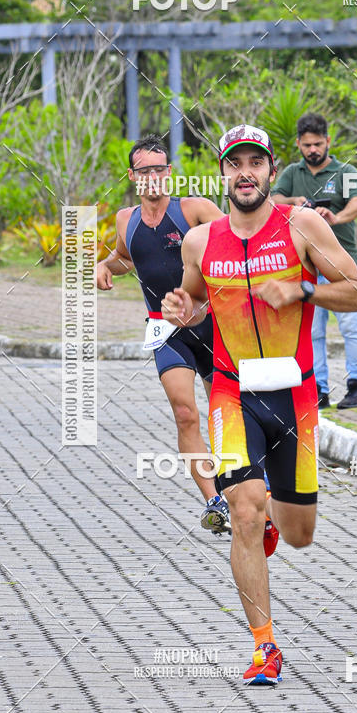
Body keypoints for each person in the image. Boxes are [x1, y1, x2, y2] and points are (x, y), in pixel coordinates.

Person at [161, 124, 357, 685]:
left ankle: (278, 519)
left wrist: (303, 289)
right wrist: (184, 310)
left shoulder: (301, 225)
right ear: (222, 173)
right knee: (246, 512)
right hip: (232, 392)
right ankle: (264, 646)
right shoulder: (200, 242)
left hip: (295, 396)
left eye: (255, 162)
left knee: (299, 534)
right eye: (235, 163)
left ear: (271, 171)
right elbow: (196, 302)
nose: (245, 172)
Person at [96, 135, 230, 531]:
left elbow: (236, 245)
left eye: (159, 169)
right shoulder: (127, 220)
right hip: (166, 329)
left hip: (212, 325)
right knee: (185, 414)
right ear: (132, 176)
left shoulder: (194, 209)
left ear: (169, 172)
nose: (153, 177)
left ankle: (242, 485)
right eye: (145, 171)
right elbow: (126, 257)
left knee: (226, 415)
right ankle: (215, 501)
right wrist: (104, 266)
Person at [271, 112, 357, 409]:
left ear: (328, 141)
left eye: (317, 144)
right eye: (307, 145)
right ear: (298, 144)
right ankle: (319, 389)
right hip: (307, 267)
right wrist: (295, 202)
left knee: (351, 326)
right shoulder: (292, 173)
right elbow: (272, 200)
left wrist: (334, 218)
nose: (313, 150)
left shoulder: (345, 171)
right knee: (313, 331)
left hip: (342, 264)